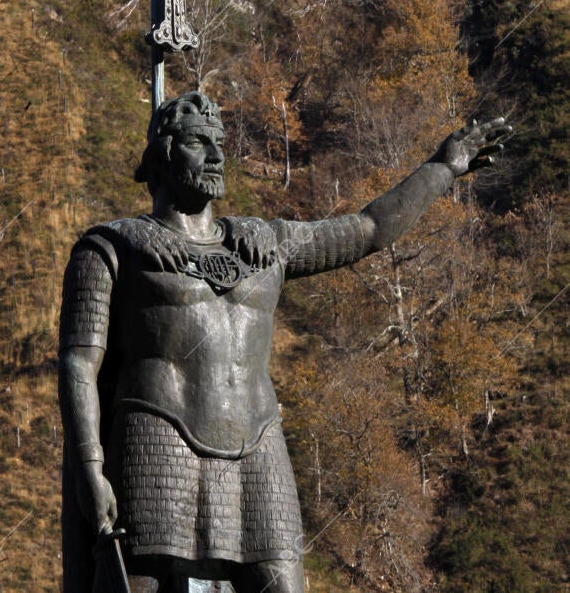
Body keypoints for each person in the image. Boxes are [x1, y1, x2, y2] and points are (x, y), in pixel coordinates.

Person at [59, 91, 509, 592]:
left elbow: (369, 229)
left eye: (219, 144)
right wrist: (90, 471)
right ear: (163, 154)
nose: (215, 156)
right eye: (197, 143)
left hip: (258, 450)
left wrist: (443, 169)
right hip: (156, 446)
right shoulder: (111, 248)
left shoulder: (266, 243)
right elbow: (79, 364)